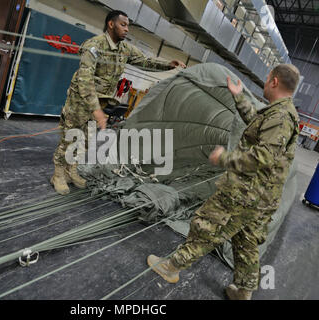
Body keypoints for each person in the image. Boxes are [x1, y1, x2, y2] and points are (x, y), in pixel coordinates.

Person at [147, 64, 301, 300]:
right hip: (261, 197)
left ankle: (172, 267)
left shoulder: (280, 116)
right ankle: (244, 291)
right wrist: (238, 97)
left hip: (247, 194)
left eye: (267, 77)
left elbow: (263, 157)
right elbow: (255, 127)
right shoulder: (279, 113)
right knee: (246, 242)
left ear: (275, 82)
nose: (265, 82)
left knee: (208, 226)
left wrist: (225, 158)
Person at [51, 10, 186, 195]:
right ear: (111, 24)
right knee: (70, 137)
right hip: (80, 101)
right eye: (123, 25)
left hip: (101, 103)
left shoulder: (125, 50)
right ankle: (58, 174)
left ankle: (71, 171)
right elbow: (85, 80)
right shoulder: (94, 45)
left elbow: (144, 61)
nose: (127, 29)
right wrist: (96, 109)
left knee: (87, 140)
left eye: (128, 26)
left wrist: (168, 65)